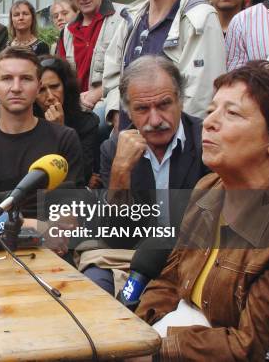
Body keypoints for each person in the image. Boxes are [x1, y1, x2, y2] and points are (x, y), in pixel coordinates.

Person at [132, 61, 269, 361]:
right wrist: (138, 333)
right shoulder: (208, 188)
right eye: (211, 110)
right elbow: (168, 281)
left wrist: (157, 351)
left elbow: (254, 345)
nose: (210, 123)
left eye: (232, 113)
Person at [86, 55, 209, 295]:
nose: (155, 120)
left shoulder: (206, 140)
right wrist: (120, 173)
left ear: (180, 101)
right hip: (132, 257)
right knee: (93, 286)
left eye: (164, 105)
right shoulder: (113, 150)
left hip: (192, 258)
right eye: (142, 109)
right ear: (128, 112)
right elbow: (116, 238)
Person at [103, 0, 226, 129]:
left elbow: (200, 96)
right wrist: (116, 113)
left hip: (172, 144)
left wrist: (168, 141)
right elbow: (112, 70)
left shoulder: (200, 18)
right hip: (129, 140)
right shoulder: (132, 16)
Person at [0, 47, 88, 201]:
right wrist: (37, 225)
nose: (16, 88)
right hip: (9, 225)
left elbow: (72, 210)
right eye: (7, 78)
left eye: (26, 79)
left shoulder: (65, 139)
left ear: (38, 85)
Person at [56, 0, 125, 118]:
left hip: (111, 102)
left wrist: (97, 93)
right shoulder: (68, 31)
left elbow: (133, 68)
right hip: (76, 104)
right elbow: (62, 75)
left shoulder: (124, 17)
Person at [34, 56, 99, 188]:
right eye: (41, 90)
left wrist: (60, 131)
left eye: (55, 87)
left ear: (66, 86)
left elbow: (82, 174)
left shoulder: (87, 122)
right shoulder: (27, 123)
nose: (50, 97)